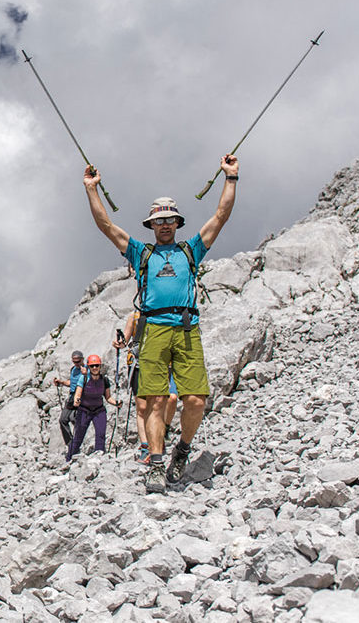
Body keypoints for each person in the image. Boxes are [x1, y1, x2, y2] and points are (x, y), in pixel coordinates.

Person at [84, 154, 239, 492]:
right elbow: (106, 227)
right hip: (153, 329)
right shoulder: (142, 253)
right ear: (151, 226)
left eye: (170, 219)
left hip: (185, 328)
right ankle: (156, 463)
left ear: (177, 223)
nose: (165, 224)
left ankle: (181, 450)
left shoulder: (191, 250)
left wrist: (230, 178)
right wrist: (92, 189)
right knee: (154, 401)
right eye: (159, 221)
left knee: (196, 399)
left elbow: (221, 216)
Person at [114, 310, 178, 463]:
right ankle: (145, 446)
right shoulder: (134, 316)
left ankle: (160, 435)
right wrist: (120, 343)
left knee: (166, 400)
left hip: (161, 362)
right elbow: (126, 339)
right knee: (142, 407)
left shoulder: (165, 312)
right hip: (138, 363)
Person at [65, 354, 121, 461]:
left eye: (97, 366)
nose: (94, 368)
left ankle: (99, 458)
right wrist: (77, 401)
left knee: (100, 434)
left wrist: (116, 403)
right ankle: (70, 458)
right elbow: (78, 393)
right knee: (78, 436)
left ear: (100, 366)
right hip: (84, 410)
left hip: (99, 410)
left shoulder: (104, 380)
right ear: (88, 367)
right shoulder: (84, 378)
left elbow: (108, 397)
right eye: (92, 366)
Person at [52, 351, 87, 443]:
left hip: (81, 395)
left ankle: (79, 441)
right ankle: (70, 443)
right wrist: (61, 382)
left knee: (73, 417)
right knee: (62, 419)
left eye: (78, 361)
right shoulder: (73, 370)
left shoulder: (86, 370)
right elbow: (71, 382)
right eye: (74, 361)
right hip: (72, 396)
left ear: (82, 359)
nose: (76, 364)